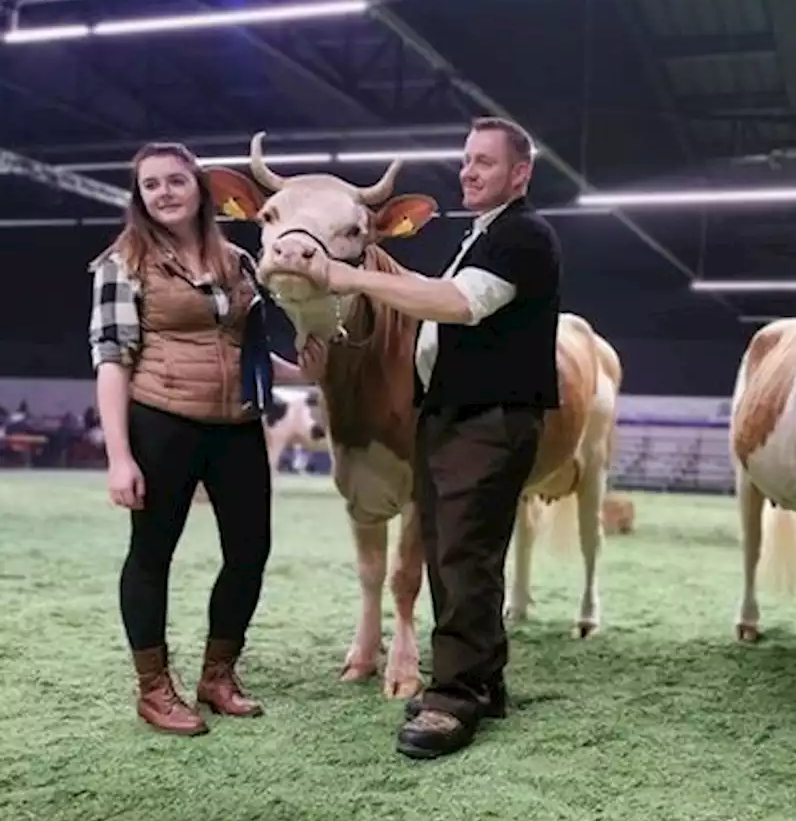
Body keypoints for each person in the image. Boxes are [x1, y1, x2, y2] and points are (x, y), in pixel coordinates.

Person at [293, 116, 560, 761]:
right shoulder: (485, 235)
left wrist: (350, 278)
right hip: (456, 417)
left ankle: (455, 697)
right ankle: (483, 680)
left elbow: (456, 304)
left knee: (462, 554)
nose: (468, 171)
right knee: (455, 551)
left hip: (488, 418)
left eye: (485, 163)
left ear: (520, 173)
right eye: (466, 161)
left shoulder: (522, 235)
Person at [89, 141, 317, 737]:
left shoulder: (239, 260)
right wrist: (119, 457)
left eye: (175, 181)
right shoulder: (123, 262)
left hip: (237, 425)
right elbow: (112, 361)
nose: (163, 193)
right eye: (150, 185)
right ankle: (153, 688)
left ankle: (218, 675)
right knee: (151, 555)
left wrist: (307, 371)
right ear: (139, 196)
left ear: (198, 188)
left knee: (250, 551)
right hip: (161, 420)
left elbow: (248, 350)